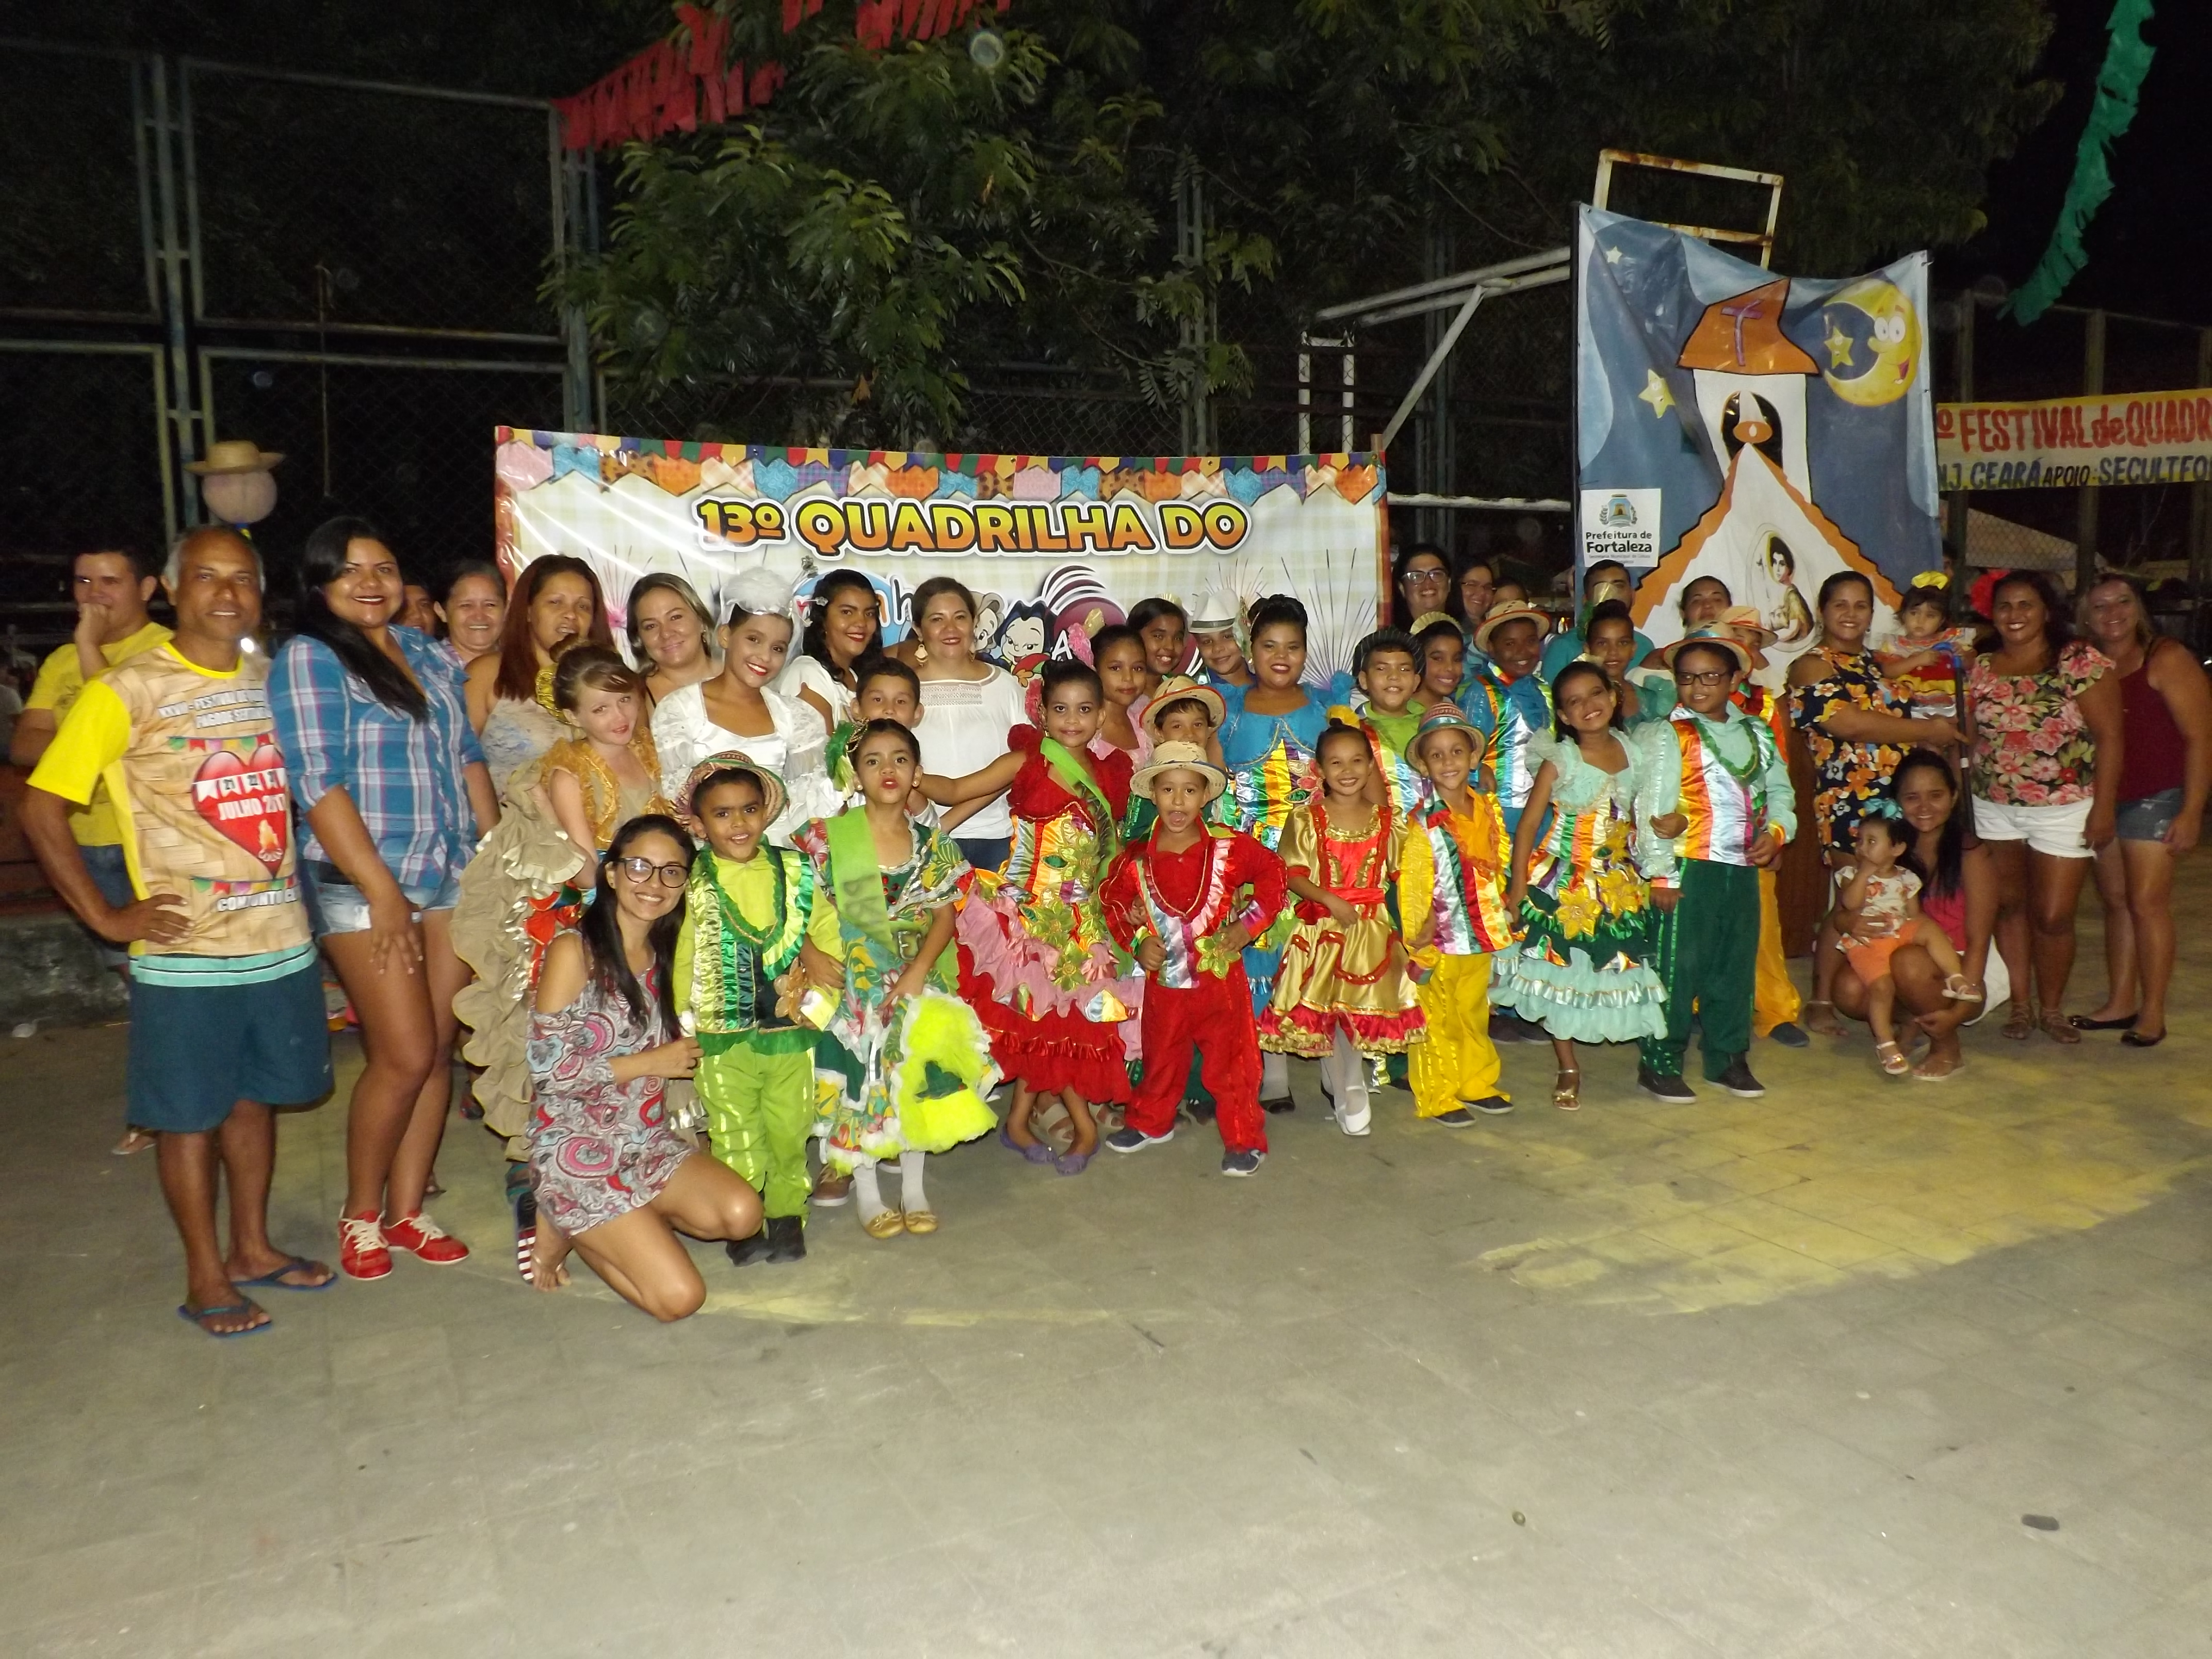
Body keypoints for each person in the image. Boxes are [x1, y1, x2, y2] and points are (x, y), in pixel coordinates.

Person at [22, 527, 335, 1336]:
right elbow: (41, 806)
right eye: (206, 577)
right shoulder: (126, 690)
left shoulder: (274, 680)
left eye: (242, 579)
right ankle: (205, 1278)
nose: (226, 594)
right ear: (172, 588)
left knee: (255, 1101)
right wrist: (104, 916)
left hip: (278, 938)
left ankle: (251, 1249)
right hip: (186, 953)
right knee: (188, 1114)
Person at [270, 516, 497, 1279]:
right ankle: (360, 1214)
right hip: (365, 883)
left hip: (449, 871)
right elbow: (316, 781)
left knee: (435, 1050)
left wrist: (494, 858)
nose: (371, 583)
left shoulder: (427, 653)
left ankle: (407, 1211)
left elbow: (467, 759)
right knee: (402, 1054)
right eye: (350, 570)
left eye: (385, 568)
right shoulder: (311, 659)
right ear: (319, 584)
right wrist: (383, 891)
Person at [523, 815, 766, 1319]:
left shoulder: (670, 951)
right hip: (576, 1149)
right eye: (639, 867)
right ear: (612, 874)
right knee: (679, 1299)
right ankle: (564, 1218)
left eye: (671, 872)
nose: (654, 884)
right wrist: (651, 1062)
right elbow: (549, 1072)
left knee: (743, 1214)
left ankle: (622, 1221)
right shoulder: (574, 951)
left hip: (645, 1140)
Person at [451, 646, 671, 1180]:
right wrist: (639, 892)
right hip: (604, 910)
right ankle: (561, 1159)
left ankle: (648, 1140)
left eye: (625, 700)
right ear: (572, 716)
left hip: (655, 900)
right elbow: (584, 866)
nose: (619, 716)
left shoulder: (649, 748)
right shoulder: (570, 771)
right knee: (598, 1036)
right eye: (600, 709)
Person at [929, 660, 1139, 1174]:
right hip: (1027, 917)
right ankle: (1082, 1127)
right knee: (1043, 1020)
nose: (1072, 719)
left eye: (1084, 710)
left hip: (1083, 920)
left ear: (1101, 715)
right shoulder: (1027, 760)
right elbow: (957, 791)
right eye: (1061, 709)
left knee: (1060, 1023)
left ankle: (1018, 1122)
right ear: (1042, 713)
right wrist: (906, 776)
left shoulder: (1110, 773)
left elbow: (1110, 851)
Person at [793, 721, 999, 1238]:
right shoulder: (827, 838)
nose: (888, 770)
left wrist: (918, 972)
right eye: (873, 761)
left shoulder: (932, 845)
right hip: (851, 981)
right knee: (861, 1081)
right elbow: (792, 906)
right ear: (855, 775)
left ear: (917, 774)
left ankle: (913, 1187)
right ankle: (866, 1190)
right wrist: (810, 954)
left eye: (900, 759)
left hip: (914, 976)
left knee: (913, 1073)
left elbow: (945, 916)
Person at [11, 539, 173, 1156]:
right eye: (84, 582)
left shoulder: (167, 651)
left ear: (147, 588)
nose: (94, 595)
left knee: (161, 983)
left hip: (149, 844)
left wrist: (89, 654)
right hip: (85, 845)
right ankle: (165, 1104)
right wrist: (82, 743)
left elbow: (127, 732)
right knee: (141, 983)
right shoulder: (58, 661)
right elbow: (25, 744)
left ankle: (161, 1108)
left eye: (110, 581)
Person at [674, 757, 842, 1264]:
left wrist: (819, 1004)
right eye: (722, 814)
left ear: (766, 812)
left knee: (789, 1127)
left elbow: (826, 931)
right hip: (719, 1035)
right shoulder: (692, 882)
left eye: (748, 810)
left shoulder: (794, 870)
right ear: (699, 825)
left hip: (788, 1028)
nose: (738, 824)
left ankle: (788, 1215)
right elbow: (682, 956)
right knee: (733, 1131)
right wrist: (680, 1023)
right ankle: (744, 1218)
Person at [1100, 743, 1288, 1176]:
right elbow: (1112, 902)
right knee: (1161, 1056)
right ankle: (1152, 1121)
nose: (1178, 801)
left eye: (1189, 790)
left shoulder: (1229, 848)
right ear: (1153, 794)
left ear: (1205, 796)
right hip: (1165, 985)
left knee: (1232, 1062)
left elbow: (1273, 873)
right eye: (1168, 790)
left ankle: (1243, 1137)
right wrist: (1137, 941)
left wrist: (1248, 926)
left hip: (1220, 986)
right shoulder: (1136, 859)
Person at [1492, 666, 1669, 1110]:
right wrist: (1518, 888)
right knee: (1563, 972)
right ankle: (1567, 1064)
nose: (1588, 706)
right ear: (1564, 716)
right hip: (1564, 881)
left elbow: (1646, 812)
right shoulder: (1562, 760)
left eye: (1596, 694)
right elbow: (1528, 826)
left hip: (1617, 882)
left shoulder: (1634, 750)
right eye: (1574, 701)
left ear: (1613, 696)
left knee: (1609, 966)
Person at [1790, 571, 1956, 1034]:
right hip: (1850, 801)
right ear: (1822, 611)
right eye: (1840, 604)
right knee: (1853, 902)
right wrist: (1929, 730)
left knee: (1894, 901)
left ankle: (1890, 994)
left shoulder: (1881, 663)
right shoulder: (1811, 666)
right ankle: (1823, 998)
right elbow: (1850, 724)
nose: (1850, 614)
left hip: (1900, 801)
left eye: (1860, 605)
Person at [1965, 570, 2122, 1042]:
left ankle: (2051, 1008)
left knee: (2053, 916)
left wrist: (2104, 809)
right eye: (2005, 606)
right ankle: (2020, 1005)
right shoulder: (1981, 666)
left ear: (2047, 612)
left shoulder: (2077, 661)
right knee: (2009, 906)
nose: (2014, 615)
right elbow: (1969, 735)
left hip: (2066, 806)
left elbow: (2111, 737)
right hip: (1993, 805)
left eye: (2025, 605)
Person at [1639, 629, 1795, 1101]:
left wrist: (1777, 832)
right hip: (1689, 866)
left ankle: (1727, 1057)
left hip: (1742, 866)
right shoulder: (1670, 734)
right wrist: (1661, 873)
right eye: (1687, 678)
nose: (1698, 687)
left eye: (1710, 677)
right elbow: (1653, 807)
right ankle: (1661, 1060)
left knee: (1734, 964)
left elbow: (1780, 790)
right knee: (1677, 967)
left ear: (1733, 680)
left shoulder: (1757, 732)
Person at [1258, 722, 1423, 1136]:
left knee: (1355, 1012)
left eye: (1356, 761)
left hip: (1371, 932)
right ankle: (1348, 1086)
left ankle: (1351, 1082)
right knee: (1328, 1013)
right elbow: (1292, 873)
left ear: (1370, 767)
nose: (1347, 771)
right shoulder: (1306, 818)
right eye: (1336, 763)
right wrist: (1330, 900)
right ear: (1319, 770)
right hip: (1324, 929)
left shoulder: (1389, 821)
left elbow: (1406, 875)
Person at [1213, 595, 1343, 1111]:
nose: (1281, 656)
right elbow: (1218, 788)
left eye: (1293, 646)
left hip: (1316, 856)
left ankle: (1334, 1067)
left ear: (1306, 652)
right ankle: (1274, 1070)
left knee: (1320, 955)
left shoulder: (1326, 708)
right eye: (1269, 646)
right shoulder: (1229, 711)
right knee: (1264, 959)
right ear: (1251, 649)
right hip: (1254, 859)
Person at [2073, 574, 2210, 1047]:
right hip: (2105, 797)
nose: (2113, 613)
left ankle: (2153, 1012)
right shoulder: (2084, 665)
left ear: (2138, 608)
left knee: (2147, 902)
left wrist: (2192, 810)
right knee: (2116, 902)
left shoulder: (2165, 657)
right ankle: (2121, 1002)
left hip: (2157, 794)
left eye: (2122, 602)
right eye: (2100, 606)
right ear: (2085, 617)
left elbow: (2201, 737)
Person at [1831, 748, 2003, 1081]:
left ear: (1954, 797)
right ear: (1897, 802)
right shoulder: (1886, 850)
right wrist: (1849, 922)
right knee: (1850, 989)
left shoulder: (1971, 854)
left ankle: (1947, 1045)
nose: (1924, 807)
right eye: (1912, 798)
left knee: (1909, 960)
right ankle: (1914, 1019)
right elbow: (1839, 917)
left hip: (1964, 970)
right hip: (1901, 957)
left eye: (1936, 796)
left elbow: (1979, 940)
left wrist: (1960, 1011)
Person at [653, 569, 837, 847]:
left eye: (778, 648)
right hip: (706, 856)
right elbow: (676, 803)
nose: (765, 656)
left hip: (781, 856)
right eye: (754, 639)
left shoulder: (797, 717)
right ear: (726, 635)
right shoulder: (679, 711)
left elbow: (811, 808)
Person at [1397, 705, 1519, 1121]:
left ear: (1473, 758)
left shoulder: (1487, 807)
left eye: (1456, 752)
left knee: (1473, 1013)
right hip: (1442, 940)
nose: (1448, 762)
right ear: (1424, 766)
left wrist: (1504, 904)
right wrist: (1418, 938)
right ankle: (1439, 1094)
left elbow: (1497, 862)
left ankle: (1476, 1082)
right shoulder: (1423, 823)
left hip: (1480, 935)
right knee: (1439, 1018)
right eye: (1437, 755)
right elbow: (1414, 886)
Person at [1831, 803, 1978, 1075]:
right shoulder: (1851, 875)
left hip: (1899, 933)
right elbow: (1849, 905)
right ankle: (1886, 1044)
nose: (1862, 848)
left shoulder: (1907, 878)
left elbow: (1914, 914)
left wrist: (1923, 936)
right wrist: (1864, 874)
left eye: (1872, 842)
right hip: (1870, 942)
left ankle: (1956, 978)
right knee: (1882, 988)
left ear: (1897, 849)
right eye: (1860, 841)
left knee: (1927, 926)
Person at [466, 555, 614, 795]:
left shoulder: (614, 683)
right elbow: (458, 764)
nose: (571, 614)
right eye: (556, 602)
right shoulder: (487, 674)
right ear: (528, 610)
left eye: (583, 606)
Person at [909, 576, 1027, 872]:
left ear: (974, 622)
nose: (950, 629)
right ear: (918, 630)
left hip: (997, 839)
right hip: (918, 841)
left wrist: (948, 821)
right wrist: (931, 826)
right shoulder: (900, 690)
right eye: (937, 619)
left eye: (960, 617)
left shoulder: (1005, 685)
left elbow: (1024, 764)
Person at [1467, 600, 1555, 835]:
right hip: (1497, 813)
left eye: (1530, 641)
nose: (1522, 651)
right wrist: (1477, 771)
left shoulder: (1544, 690)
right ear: (1492, 648)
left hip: (1542, 811)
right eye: (1510, 643)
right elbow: (1462, 750)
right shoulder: (1482, 692)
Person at [1876, 573, 1974, 748]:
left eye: (1930, 616)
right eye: (1914, 613)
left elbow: (1971, 661)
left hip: (1952, 704)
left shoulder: (1950, 640)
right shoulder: (1896, 645)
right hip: (1916, 709)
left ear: (1941, 620)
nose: (1920, 621)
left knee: (1963, 740)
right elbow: (1887, 671)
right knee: (1927, 747)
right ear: (1903, 615)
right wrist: (1917, 660)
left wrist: (1964, 656)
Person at [779, 568, 882, 732]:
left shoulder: (857, 678)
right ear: (823, 619)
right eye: (847, 612)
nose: (861, 623)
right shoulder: (809, 673)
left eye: (869, 614)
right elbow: (815, 748)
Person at [1539, 560, 1655, 680]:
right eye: (1600, 588)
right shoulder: (1562, 648)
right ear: (1585, 600)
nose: (1610, 593)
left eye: (1619, 586)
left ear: (1633, 596)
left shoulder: (1645, 646)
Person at [625, 573, 718, 706]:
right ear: (639, 638)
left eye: (675, 617)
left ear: (701, 621)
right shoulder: (632, 698)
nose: (666, 633)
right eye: (651, 626)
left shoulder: (741, 679)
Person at [1091, 623, 1151, 755]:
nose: (1128, 678)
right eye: (1116, 668)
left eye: (1138, 668)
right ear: (1094, 670)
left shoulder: (1145, 722)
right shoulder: (1083, 728)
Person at [433, 562, 507, 668]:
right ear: (441, 612)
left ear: (506, 609)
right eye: (466, 606)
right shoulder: (424, 668)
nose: (479, 616)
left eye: (490, 605)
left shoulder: (520, 664)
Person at [1186, 588, 1252, 691]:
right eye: (1207, 642)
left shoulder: (1269, 681)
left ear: (1244, 636)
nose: (1217, 648)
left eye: (1227, 637)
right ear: (1198, 646)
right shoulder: (1194, 693)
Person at [1129, 596, 1191, 688]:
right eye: (1158, 636)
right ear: (1133, 637)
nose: (1170, 646)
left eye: (1178, 638)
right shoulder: (1122, 691)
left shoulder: (1178, 691)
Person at [1391, 543, 1453, 630]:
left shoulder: (1465, 636)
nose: (1428, 583)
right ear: (1402, 588)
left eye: (1436, 574)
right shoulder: (1390, 637)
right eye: (1416, 576)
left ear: (1449, 583)